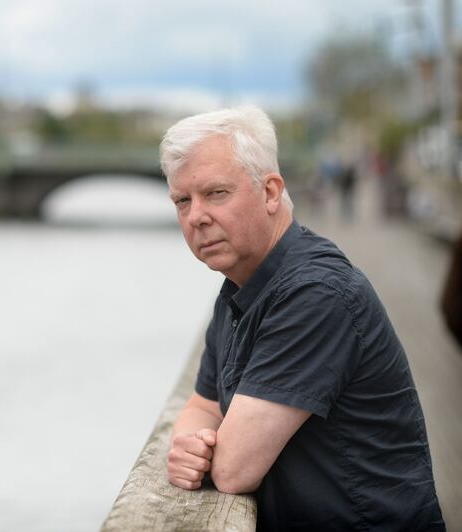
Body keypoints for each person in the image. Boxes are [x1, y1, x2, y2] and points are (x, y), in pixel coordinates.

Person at [161, 106, 445, 531]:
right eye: (182, 201)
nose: (196, 216)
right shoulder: (239, 287)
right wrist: (189, 445)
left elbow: (234, 469)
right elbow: (202, 406)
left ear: (270, 192)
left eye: (216, 193)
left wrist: (205, 451)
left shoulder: (316, 293)